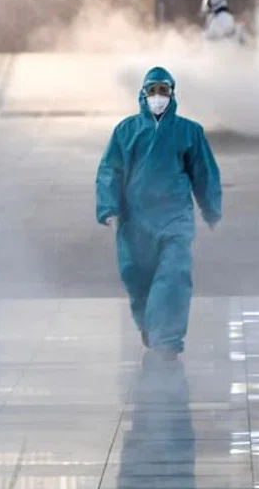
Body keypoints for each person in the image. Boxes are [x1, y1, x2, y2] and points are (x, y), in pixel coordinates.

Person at [96, 67, 223, 360]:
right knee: (137, 277)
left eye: (163, 90)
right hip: (134, 220)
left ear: (172, 94)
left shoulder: (189, 132)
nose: (157, 97)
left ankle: (167, 339)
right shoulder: (126, 131)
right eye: (152, 90)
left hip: (174, 217)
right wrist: (109, 208)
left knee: (174, 275)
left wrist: (211, 209)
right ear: (143, 94)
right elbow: (110, 171)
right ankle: (148, 324)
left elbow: (204, 172)